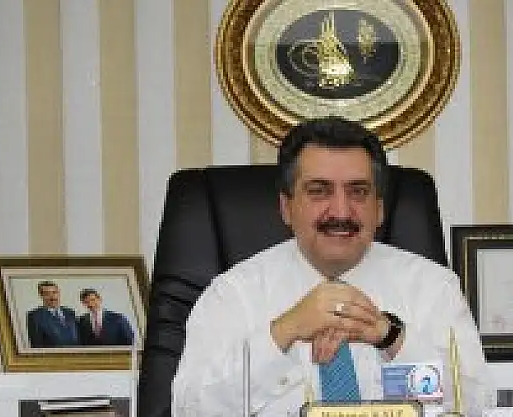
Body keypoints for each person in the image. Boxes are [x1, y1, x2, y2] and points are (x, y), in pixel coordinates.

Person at [172, 116, 490, 416]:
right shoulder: (233, 294)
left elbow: (478, 405)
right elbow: (189, 409)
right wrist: (284, 331)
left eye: (358, 192)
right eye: (319, 191)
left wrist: (391, 338)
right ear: (286, 208)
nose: (340, 211)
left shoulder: (434, 288)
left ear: (379, 209)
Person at [27, 280, 80, 348]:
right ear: (41, 296)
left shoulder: (70, 312)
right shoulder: (34, 316)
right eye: (47, 294)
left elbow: (78, 337)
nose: (52, 297)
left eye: (54, 292)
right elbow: (37, 346)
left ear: (59, 293)